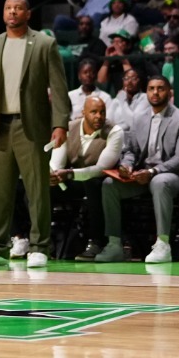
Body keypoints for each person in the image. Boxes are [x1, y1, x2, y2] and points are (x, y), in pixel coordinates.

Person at [0, 0, 70, 268]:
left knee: (37, 190)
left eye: (18, 8)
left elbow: (59, 87)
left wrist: (60, 124)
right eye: (8, 8)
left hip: (30, 125)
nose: (13, 12)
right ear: (3, 13)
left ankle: (39, 247)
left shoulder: (44, 43)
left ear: (28, 13)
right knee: (0, 191)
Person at [90, 74, 179, 263]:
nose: (155, 92)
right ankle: (114, 244)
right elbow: (131, 150)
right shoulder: (139, 118)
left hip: (172, 175)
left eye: (160, 88)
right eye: (151, 88)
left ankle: (163, 244)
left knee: (159, 182)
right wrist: (127, 165)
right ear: (146, 92)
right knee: (109, 184)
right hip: (142, 174)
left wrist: (153, 172)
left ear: (169, 93)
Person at [53, 94, 125, 260]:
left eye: (102, 112)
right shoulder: (68, 128)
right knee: (37, 186)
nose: (99, 116)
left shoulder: (114, 131)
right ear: (83, 113)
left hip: (97, 181)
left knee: (93, 184)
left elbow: (101, 169)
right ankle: (36, 240)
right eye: (94, 112)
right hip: (70, 181)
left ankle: (96, 242)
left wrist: (69, 174)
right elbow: (57, 163)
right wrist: (56, 177)